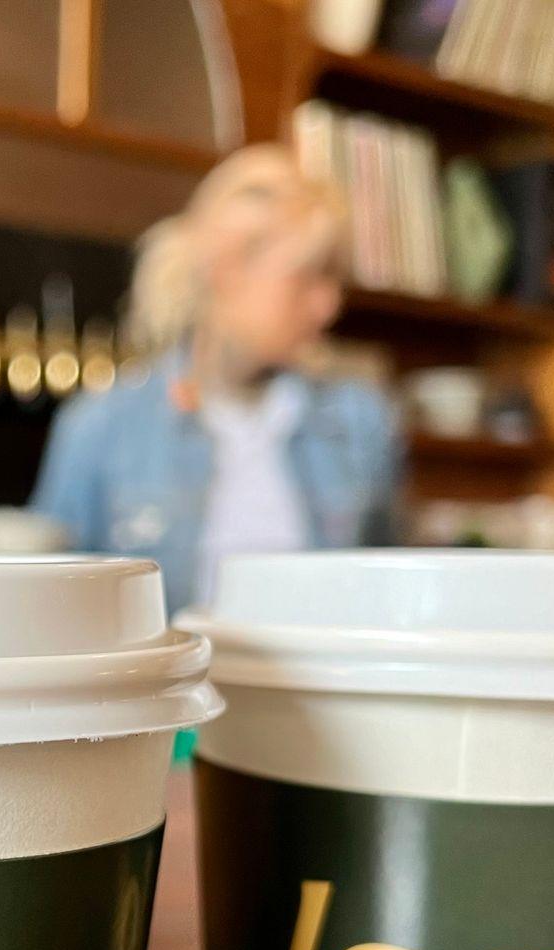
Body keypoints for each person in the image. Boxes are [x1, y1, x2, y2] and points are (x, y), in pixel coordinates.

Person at [29, 146, 402, 614]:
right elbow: (47, 606)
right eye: (309, 276)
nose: (329, 304)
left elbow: (389, 594)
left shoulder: (359, 421)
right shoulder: (100, 426)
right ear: (227, 269)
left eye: (334, 280)